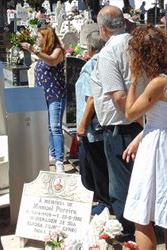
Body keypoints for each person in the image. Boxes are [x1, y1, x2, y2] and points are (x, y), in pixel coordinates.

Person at [122, 25, 167, 250]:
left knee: (142, 214)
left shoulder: (159, 82)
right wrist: (140, 137)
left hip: (157, 146)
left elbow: (130, 113)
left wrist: (132, 79)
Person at [90, 6, 142, 240]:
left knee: (121, 186)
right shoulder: (137, 42)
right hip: (143, 124)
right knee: (141, 181)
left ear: (102, 29)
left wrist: (142, 120)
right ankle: (147, 227)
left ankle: (130, 233)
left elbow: (119, 97)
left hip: (123, 129)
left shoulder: (109, 52)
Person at [20, 26, 66, 173]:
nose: (37, 39)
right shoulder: (42, 53)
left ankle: (60, 161)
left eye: (40, 36)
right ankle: (52, 153)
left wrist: (33, 50)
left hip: (55, 95)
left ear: (47, 37)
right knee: (47, 127)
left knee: (55, 127)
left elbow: (52, 61)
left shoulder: (57, 50)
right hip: (42, 95)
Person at [75, 31, 111, 215]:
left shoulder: (91, 65)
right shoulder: (105, 61)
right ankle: (104, 200)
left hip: (92, 126)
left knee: (96, 166)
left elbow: (91, 98)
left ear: (90, 48)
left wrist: (82, 124)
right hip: (101, 124)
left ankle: (104, 202)